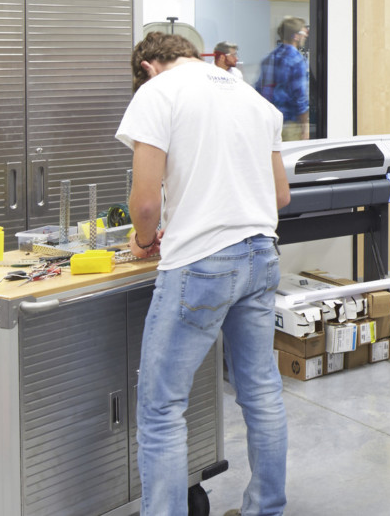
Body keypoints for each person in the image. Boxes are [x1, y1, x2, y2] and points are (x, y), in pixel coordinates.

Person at [118, 32, 291, 515]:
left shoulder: (158, 91)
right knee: (261, 392)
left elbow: (147, 201)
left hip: (201, 263)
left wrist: (144, 239)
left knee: (161, 409)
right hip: (260, 254)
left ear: (150, 67)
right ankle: (266, 509)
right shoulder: (252, 96)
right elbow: (280, 196)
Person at [256, 16, 311, 141]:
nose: (306, 36)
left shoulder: (268, 58)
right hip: (289, 125)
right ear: (295, 36)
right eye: (303, 33)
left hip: (269, 123)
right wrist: (305, 128)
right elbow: (300, 97)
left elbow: (259, 89)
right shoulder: (297, 60)